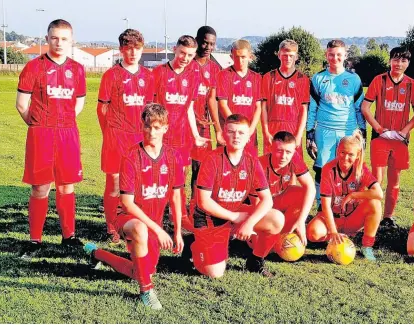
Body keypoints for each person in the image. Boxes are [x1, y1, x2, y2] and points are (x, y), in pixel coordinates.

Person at [83, 104, 185, 310]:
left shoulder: (174, 157)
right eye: (148, 127)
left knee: (140, 271)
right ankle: (146, 291)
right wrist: (158, 229)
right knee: (139, 230)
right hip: (127, 218)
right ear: (142, 126)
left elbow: (176, 197)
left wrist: (178, 233)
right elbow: (127, 203)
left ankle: (97, 253)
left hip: (153, 223)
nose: (152, 132)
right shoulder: (131, 156)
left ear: (166, 128)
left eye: (157, 127)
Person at [16, 19, 86, 259]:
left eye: (64, 38)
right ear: (47, 39)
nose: (59, 42)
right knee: (40, 187)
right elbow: (21, 105)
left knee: (67, 185)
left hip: (67, 133)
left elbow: (79, 103)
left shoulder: (77, 69)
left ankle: (69, 236)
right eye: (54, 37)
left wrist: (62, 122)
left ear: (71, 40)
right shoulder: (34, 67)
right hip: (41, 133)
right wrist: (39, 125)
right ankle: (35, 240)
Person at [192, 114, 284, 278]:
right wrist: (234, 217)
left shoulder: (251, 162)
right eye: (232, 132)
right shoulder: (212, 159)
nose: (236, 137)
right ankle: (193, 247)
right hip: (209, 218)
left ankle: (256, 260)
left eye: (241, 133)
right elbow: (203, 202)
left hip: (235, 214)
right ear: (223, 135)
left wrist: (249, 223)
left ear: (249, 137)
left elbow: (267, 200)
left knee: (276, 219)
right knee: (215, 273)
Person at [97, 29, 155, 245]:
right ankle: (111, 227)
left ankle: (133, 222)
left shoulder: (148, 77)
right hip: (116, 137)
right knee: (114, 183)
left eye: (137, 49)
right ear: (121, 50)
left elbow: (150, 111)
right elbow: (102, 110)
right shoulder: (111, 76)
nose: (133, 53)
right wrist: (110, 133)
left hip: (139, 138)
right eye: (128, 48)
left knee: (138, 183)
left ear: (142, 50)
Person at [361, 46, 414, 230]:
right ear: (390, 61)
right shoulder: (378, 80)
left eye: (403, 60)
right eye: (396, 59)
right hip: (380, 137)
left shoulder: (412, 84)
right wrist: (379, 128)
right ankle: (372, 214)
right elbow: (365, 108)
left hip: (400, 140)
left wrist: (403, 132)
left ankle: (388, 217)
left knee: (394, 181)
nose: (399, 63)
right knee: (377, 179)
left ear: (408, 63)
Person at [306, 132, 383, 261]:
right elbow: (325, 206)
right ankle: (336, 236)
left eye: (351, 154)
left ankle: (366, 247)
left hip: (351, 218)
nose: (345, 157)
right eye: (342, 152)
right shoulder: (328, 169)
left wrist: (353, 195)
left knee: (375, 204)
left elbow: (379, 193)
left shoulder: (361, 169)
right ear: (337, 150)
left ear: (358, 155)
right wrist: (333, 231)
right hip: (331, 217)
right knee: (313, 233)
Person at [305, 39, 366, 205]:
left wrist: (362, 131)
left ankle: (348, 206)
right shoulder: (318, 78)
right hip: (324, 130)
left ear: (345, 55)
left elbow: (359, 107)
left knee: (351, 168)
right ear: (326, 55)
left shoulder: (353, 79)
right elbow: (312, 108)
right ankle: (321, 206)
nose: (335, 58)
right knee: (322, 169)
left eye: (339, 54)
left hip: (348, 131)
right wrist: (309, 133)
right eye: (331, 54)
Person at [153, 34, 209, 173]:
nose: (185, 58)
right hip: (161, 134)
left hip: (182, 136)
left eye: (190, 55)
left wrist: (196, 135)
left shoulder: (193, 76)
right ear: (174, 50)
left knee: (179, 176)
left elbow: (189, 108)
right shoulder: (158, 72)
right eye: (182, 53)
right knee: (160, 173)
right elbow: (150, 105)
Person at [254, 131, 316, 246]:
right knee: (257, 244)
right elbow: (255, 205)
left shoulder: (294, 158)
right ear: (271, 148)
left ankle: (287, 231)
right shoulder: (259, 166)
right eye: (279, 151)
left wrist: (301, 221)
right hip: (259, 207)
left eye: (288, 152)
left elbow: (310, 188)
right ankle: (274, 232)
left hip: (276, 200)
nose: (284, 156)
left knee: (304, 194)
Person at [261, 39, 310, 157]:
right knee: (271, 165)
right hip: (273, 127)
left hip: (293, 128)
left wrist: (298, 135)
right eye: (284, 55)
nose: (288, 58)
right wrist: (265, 131)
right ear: (279, 55)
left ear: (296, 57)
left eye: (291, 56)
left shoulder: (303, 79)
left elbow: (304, 110)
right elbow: (263, 108)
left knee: (293, 168)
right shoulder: (269, 77)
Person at [190, 26, 223, 192]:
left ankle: (195, 208)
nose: (208, 47)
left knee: (200, 168)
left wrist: (218, 129)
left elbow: (212, 100)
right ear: (197, 41)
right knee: (176, 169)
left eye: (212, 44)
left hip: (203, 126)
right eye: (204, 43)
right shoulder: (186, 63)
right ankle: (169, 207)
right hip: (181, 125)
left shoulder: (215, 69)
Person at [216, 40, 263, 156]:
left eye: (243, 57)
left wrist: (250, 130)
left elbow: (258, 107)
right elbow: (222, 105)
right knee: (226, 168)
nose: (240, 61)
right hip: (231, 132)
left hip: (249, 134)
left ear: (250, 56)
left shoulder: (256, 78)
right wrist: (237, 128)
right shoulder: (224, 75)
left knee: (249, 167)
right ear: (231, 56)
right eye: (236, 57)